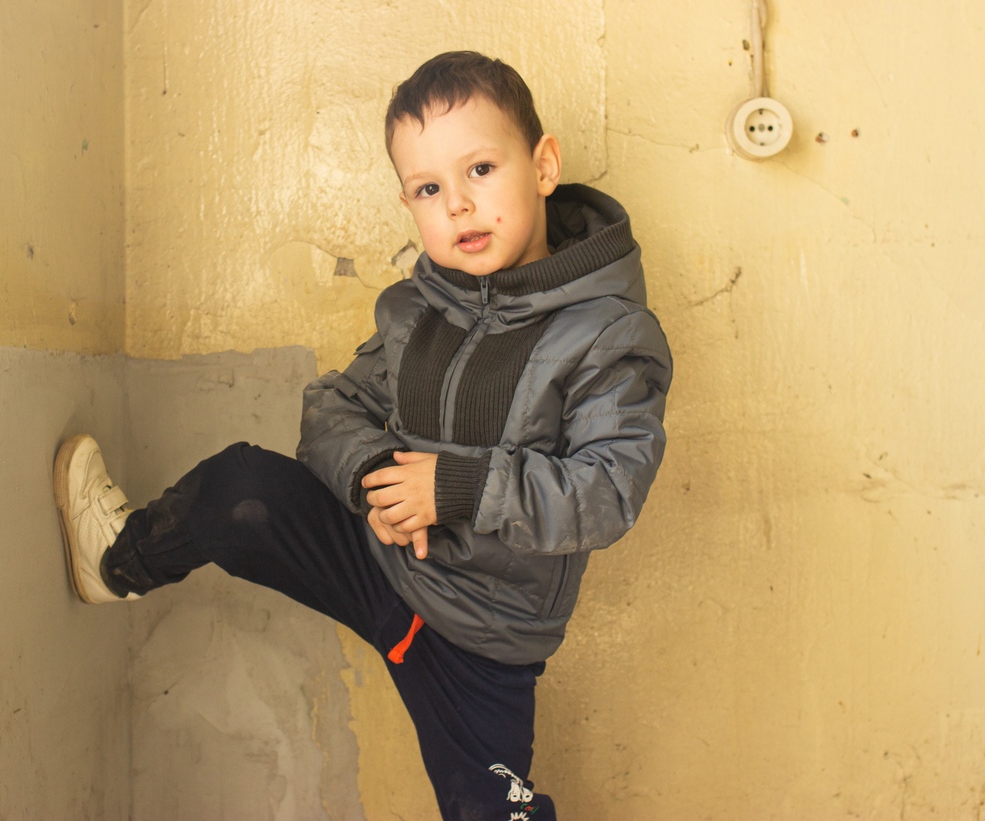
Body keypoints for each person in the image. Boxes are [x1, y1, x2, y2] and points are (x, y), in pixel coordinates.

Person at [54, 50, 672, 820]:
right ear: (407, 201)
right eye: (428, 188)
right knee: (240, 488)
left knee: (492, 813)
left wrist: (450, 487)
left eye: (481, 170)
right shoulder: (418, 308)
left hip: (482, 635)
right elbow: (333, 406)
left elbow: (608, 490)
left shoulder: (610, 334)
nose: (458, 205)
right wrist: (374, 475)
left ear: (543, 166)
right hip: (378, 561)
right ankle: (117, 562)